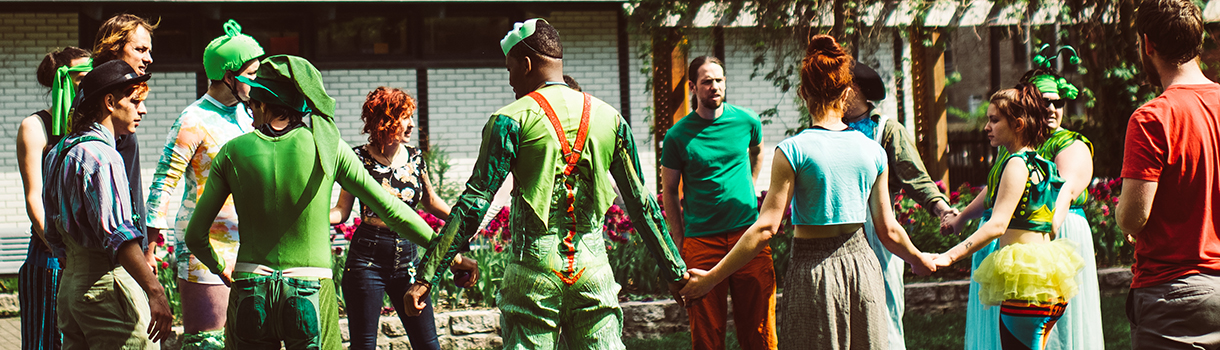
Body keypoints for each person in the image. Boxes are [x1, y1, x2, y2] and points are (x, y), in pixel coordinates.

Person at [404, 18, 689, 349]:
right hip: (593, 272)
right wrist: (674, 270)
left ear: (526, 64)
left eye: (510, 70)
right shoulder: (611, 118)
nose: (510, 80)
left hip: (533, 274)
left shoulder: (509, 119)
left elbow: (475, 202)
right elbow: (641, 205)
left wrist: (427, 275)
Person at [183, 55, 474, 349]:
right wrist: (454, 256)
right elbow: (393, 211)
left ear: (262, 105)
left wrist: (221, 267)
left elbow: (195, 237)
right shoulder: (328, 147)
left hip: (249, 287)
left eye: (252, 106)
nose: (251, 113)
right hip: (310, 290)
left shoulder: (232, 152)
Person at [681, 34, 936, 350]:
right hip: (864, 268)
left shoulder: (792, 151)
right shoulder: (872, 151)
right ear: (846, 92)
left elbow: (765, 229)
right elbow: (888, 231)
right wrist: (919, 259)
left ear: (803, 93)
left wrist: (711, 278)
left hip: (813, 273)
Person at [935, 83, 1083, 350]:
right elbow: (1050, 223)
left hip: (1026, 286)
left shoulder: (1015, 163)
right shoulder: (1041, 163)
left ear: (1017, 124)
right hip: (1048, 282)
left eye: (994, 120)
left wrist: (950, 255)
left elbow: (997, 225)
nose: (986, 127)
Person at [144, 19, 261, 349]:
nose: (257, 82)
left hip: (251, 245)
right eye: (251, 75)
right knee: (208, 341)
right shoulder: (192, 119)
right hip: (205, 245)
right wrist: (151, 245)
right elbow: (163, 181)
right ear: (228, 75)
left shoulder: (248, 116)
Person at [43, 60, 173, 349]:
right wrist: (155, 292)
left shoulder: (59, 151)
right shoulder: (103, 157)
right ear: (110, 102)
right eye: (135, 100)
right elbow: (120, 236)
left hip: (70, 290)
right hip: (107, 287)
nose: (143, 109)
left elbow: (51, 230)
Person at [1118, 0, 1220, 347]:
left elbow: (1133, 217)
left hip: (1172, 299)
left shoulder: (1153, 118)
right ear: (1197, 41)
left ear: (1148, 44)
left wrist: (1127, 218)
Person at [660, 55, 775, 350]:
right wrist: (679, 239)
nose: (714, 86)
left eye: (719, 80)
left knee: (760, 329)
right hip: (702, 242)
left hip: (747, 237)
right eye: (707, 81)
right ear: (692, 87)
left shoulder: (747, 121)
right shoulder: (677, 136)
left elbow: (758, 151)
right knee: (706, 336)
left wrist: (749, 182)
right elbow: (669, 190)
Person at [843, 61, 958, 350]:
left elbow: (915, 178)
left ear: (853, 89)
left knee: (884, 314)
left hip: (878, 231)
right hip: (837, 233)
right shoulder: (828, 129)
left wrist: (942, 209)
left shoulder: (886, 130)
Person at [328, 86, 449, 350]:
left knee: (428, 345)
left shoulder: (415, 157)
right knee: (363, 346)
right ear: (385, 120)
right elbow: (342, 211)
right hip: (367, 260)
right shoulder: (358, 158)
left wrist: (465, 219)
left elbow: (429, 201)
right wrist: (312, 216)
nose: (412, 124)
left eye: (411, 117)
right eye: (405, 117)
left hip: (408, 260)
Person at [17, 46, 91, 350]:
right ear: (63, 80)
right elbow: (34, 200)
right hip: (51, 259)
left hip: (88, 260)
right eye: (82, 78)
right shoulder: (34, 127)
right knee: (47, 342)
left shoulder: (92, 127)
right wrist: (61, 250)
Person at [91, 13, 158, 270]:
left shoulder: (119, 115)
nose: (148, 58)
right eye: (140, 49)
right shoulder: (96, 112)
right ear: (112, 50)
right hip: (113, 258)